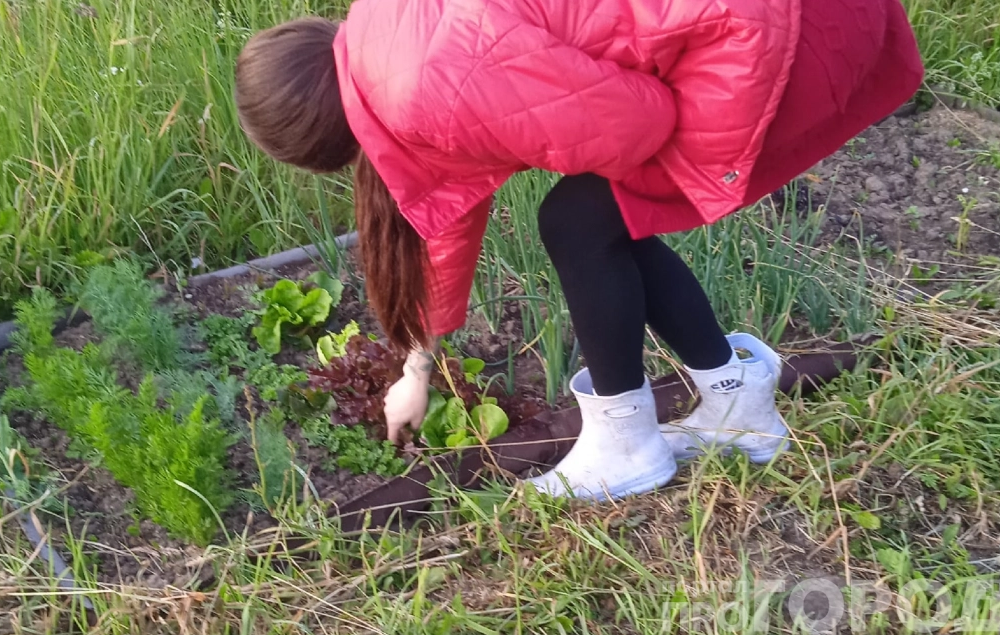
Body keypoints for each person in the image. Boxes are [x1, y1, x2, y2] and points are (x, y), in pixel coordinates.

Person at [234, 0, 924, 500]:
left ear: (326, 144)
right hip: (779, 19)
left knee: (578, 221)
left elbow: (637, 123)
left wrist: (547, 130)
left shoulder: (422, 84)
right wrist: (418, 366)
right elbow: (450, 207)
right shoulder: (385, 40)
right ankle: (736, 401)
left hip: (769, 33)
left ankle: (626, 443)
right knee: (599, 216)